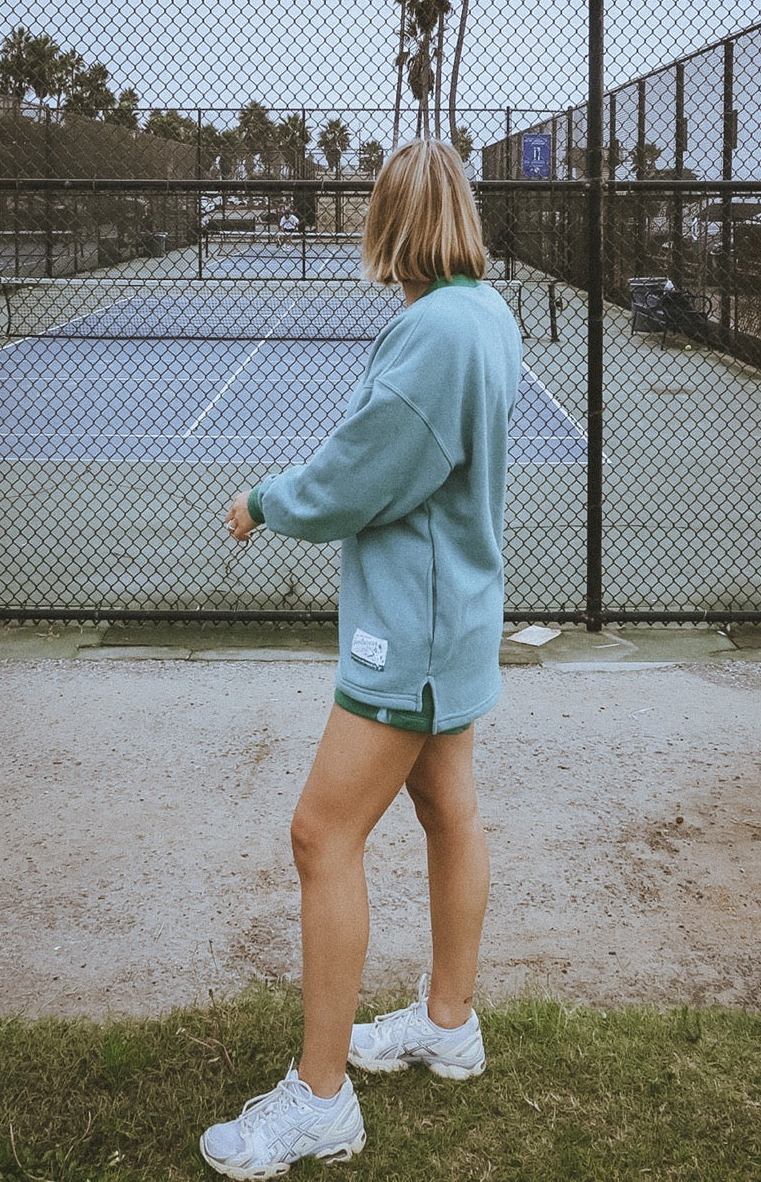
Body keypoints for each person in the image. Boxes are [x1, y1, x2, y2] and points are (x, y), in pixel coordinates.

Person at [200, 139, 523, 1179]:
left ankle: (321, 1099)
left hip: (412, 632)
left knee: (318, 833)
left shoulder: (431, 332)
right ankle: (448, 1021)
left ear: (389, 220)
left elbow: (357, 473)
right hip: (457, 617)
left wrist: (264, 500)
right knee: (449, 811)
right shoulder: (489, 312)